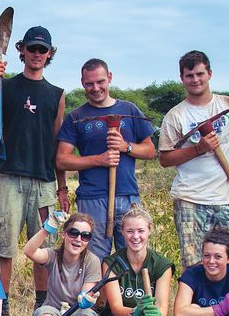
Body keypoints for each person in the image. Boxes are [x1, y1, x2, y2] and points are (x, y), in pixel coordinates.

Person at [0, 26, 68, 316]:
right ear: (22, 51)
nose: (37, 55)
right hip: (11, 179)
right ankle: (0, 311)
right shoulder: (6, 86)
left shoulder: (57, 95)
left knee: (43, 249)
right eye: (32, 49)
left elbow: (58, 146)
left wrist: (63, 186)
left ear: (50, 54)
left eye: (43, 50)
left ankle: (42, 309)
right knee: (5, 248)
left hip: (44, 183)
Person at [158, 51, 229, 270]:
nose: (195, 80)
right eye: (189, 75)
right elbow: (164, 159)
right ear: (182, 78)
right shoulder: (176, 115)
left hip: (228, 198)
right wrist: (198, 149)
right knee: (195, 264)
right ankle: (196, 305)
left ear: (209, 73)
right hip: (190, 199)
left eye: (199, 74)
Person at [56, 58, 156, 259]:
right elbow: (62, 160)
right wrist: (99, 160)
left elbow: (150, 151)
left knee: (131, 257)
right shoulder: (76, 117)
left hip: (128, 196)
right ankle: (94, 292)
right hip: (92, 198)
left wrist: (126, 146)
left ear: (109, 78)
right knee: (93, 259)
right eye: (89, 83)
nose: (96, 88)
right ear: (82, 83)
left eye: (100, 81)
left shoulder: (129, 110)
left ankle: (127, 291)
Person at [99, 205, 176, 316]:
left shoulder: (161, 264)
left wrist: (157, 315)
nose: (135, 236)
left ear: (149, 230)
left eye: (141, 231)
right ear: (123, 233)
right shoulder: (112, 263)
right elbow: (117, 308)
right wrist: (136, 313)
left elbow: (163, 305)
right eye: (130, 231)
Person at [22, 212, 101, 316]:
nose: (78, 239)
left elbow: (87, 291)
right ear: (64, 234)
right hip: (53, 311)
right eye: (74, 233)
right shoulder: (52, 255)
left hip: (77, 313)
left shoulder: (92, 261)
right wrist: (47, 229)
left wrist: (85, 298)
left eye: (85, 236)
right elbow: (29, 251)